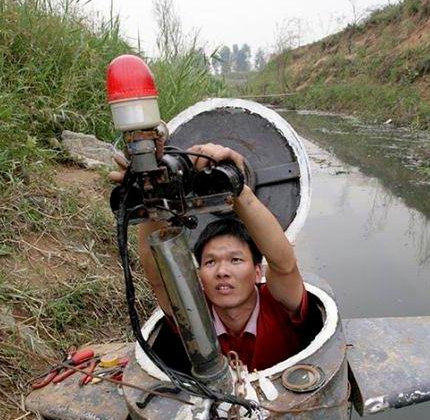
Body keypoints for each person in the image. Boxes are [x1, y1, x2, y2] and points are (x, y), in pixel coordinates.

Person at [112, 143, 309, 370]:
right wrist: (153, 195)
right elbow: (160, 278)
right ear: (199, 276)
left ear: (257, 272)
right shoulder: (192, 312)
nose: (222, 272)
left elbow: (284, 265)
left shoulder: (279, 306)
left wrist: (237, 185)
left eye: (235, 260)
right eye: (210, 262)